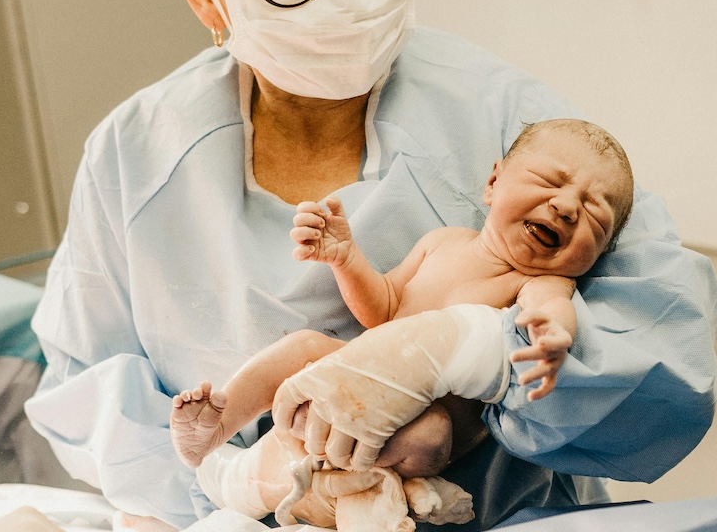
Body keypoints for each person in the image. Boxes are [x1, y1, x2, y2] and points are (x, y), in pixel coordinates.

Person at [24, 0, 717, 532]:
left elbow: (669, 365)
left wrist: (475, 350)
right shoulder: (136, 157)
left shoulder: (508, 121)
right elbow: (85, 395)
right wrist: (234, 479)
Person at [170, 118, 635, 470]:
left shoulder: (536, 281)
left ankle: (350, 484)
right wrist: (347, 259)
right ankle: (219, 424)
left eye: (596, 214)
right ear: (493, 183)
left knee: (431, 436)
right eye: (551, 181)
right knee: (305, 346)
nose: (568, 206)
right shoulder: (444, 242)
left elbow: (550, 309)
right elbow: (384, 309)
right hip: (350, 380)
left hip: (424, 421)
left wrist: (553, 337)